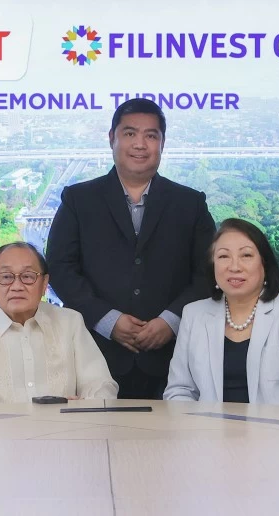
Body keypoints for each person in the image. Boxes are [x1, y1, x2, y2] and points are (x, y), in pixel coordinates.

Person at [46, 98, 216, 399]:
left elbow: (208, 273)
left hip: (175, 362)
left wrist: (170, 321)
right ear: (112, 138)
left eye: (151, 135)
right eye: (129, 133)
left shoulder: (190, 204)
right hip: (94, 357)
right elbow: (61, 269)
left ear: (162, 143)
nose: (140, 144)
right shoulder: (78, 200)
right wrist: (108, 320)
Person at [0, 243, 118, 407]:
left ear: (44, 283)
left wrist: (84, 407)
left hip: (61, 436)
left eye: (27, 276)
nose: (17, 286)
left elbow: (101, 384)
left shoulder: (70, 323)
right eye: (6, 277)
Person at [164, 219, 279, 406]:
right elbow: (179, 390)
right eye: (223, 256)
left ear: (265, 264)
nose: (234, 267)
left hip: (277, 424)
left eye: (246, 255)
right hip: (206, 424)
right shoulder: (193, 314)